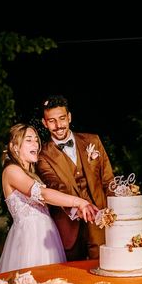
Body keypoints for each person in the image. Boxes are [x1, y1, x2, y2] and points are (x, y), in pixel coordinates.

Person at [0, 123, 98, 273]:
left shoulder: (32, 174)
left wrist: (78, 210)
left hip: (47, 239)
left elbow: (46, 204)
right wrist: (78, 201)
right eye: (29, 140)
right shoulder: (11, 171)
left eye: (36, 140)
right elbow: (43, 195)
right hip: (30, 240)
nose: (36, 144)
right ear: (14, 147)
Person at [36, 94, 115, 260]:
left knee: (104, 274)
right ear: (45, 123)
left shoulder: (93, 140)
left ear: (69, 117)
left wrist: (115, 214)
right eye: (52, 121)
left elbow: (109, 180)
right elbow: (55, 186)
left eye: (62, 118)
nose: (58, 126)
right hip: (68, 225)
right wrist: (76, 207)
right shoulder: (42, 155)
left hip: (100, 223)